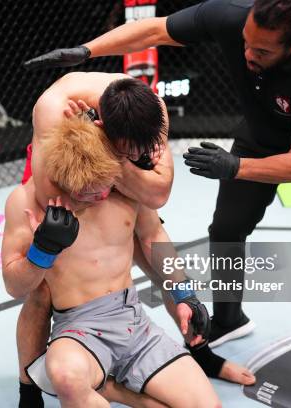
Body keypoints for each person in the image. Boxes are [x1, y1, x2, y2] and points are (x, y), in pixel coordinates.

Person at [22, 0, 291, 405]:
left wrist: (235, 166)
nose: (247, 54)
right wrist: (87, 50)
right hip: (260, 131)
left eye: (261, 51)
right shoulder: (232, 16)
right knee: (226, 229)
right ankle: (227, 319)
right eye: (245, 43)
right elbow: (154, 30)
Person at [17, 72, 254, 408]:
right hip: (67, 155)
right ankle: (29, 388)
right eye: (128, 151)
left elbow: (158, 193)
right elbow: (54, 196)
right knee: (43, 282)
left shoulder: (152, 110)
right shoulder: (53, 109)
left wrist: (112, 160)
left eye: (141, 151)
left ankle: (198, 351)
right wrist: (90, 146)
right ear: (106, 131)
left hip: (102, 143)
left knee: (145, 236)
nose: (142, 155)